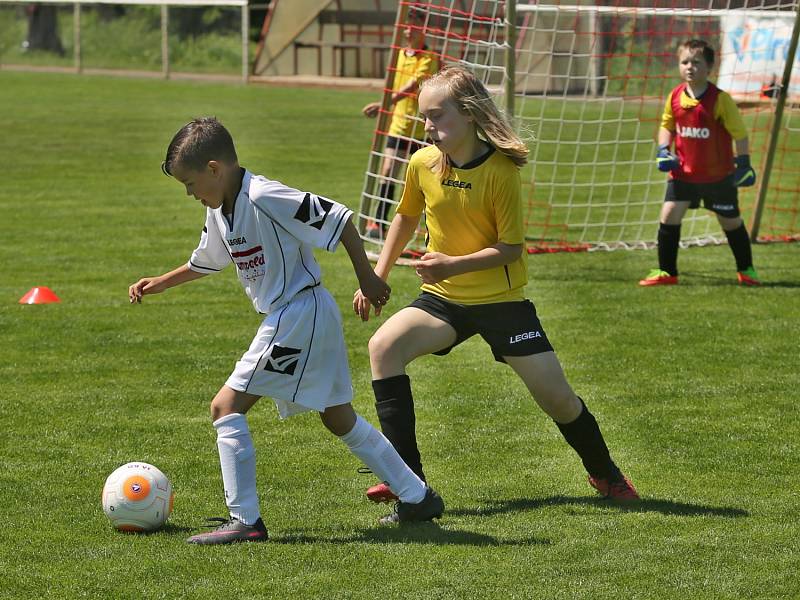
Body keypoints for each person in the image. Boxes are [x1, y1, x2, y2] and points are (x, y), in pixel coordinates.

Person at [128, 117, 444, 544]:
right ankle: (418, 496)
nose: (190, 193)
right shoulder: (219, 208)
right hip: (302, 316)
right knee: (338, 418)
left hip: (299, 314)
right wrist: (160, 282)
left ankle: (245, 522)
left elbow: (338, 219)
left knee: (225, 407)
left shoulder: (264, 195)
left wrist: (368, 277)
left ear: (214, 168)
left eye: (190, 182)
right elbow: (209, 259)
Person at [353, 66, 639, 504]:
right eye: (424, 117)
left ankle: (606, 475)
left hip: (502, 302)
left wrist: (452, 264)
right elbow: (406, 217)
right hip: (444, 300)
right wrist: (377, 276)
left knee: (558, 400)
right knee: (383, 347)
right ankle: (407, 482)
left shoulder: (500, 171)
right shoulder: (421, 163)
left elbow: (510, 249)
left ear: (468, 115)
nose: (428, 127)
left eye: (437, 116)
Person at [641, 39, 760, 287]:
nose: (689, 67)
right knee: (669, 215)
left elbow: (740, 134)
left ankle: (746, 270)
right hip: (683, 173)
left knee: (730, 222)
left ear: (709, 68)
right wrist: (663, 150)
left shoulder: (720, 100)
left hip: (718, 177)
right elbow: (667, 126)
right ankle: (667, 272)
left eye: (696, 62)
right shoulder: (674, 96)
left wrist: (744, 164)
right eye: (684, 62)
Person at [361, 9, 438, 239]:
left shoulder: (430, 57)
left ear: (423, 28)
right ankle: (378, 224)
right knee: (387, 173)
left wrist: (385, 103)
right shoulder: (398, 55)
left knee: (423, 179)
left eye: (413, 24)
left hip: (421, 128)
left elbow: (414, 85)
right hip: (398, 126)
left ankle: (429, 226)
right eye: (405, 25)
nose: (408, 29)